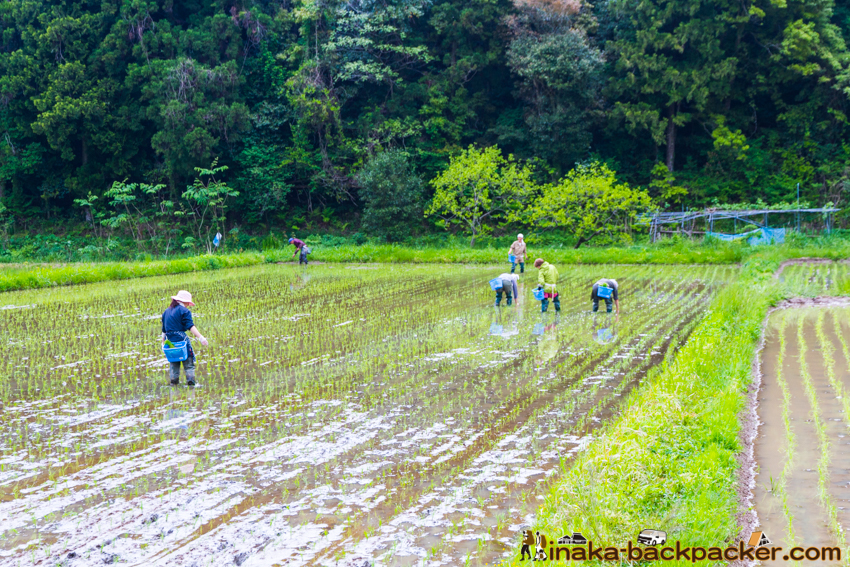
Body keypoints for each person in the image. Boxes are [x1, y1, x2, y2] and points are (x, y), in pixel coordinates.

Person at [161, 290, 208, 386]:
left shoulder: (166, 311)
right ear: (185, 302)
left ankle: (174, 384)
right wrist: (201, 337)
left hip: (170, 342)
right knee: (188, 364)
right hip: (182, 340)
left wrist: (162, 343)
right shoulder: (184, 311)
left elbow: (164, 330)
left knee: (174, 364)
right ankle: (191, 384)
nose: (188, 305)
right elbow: (190, 326)